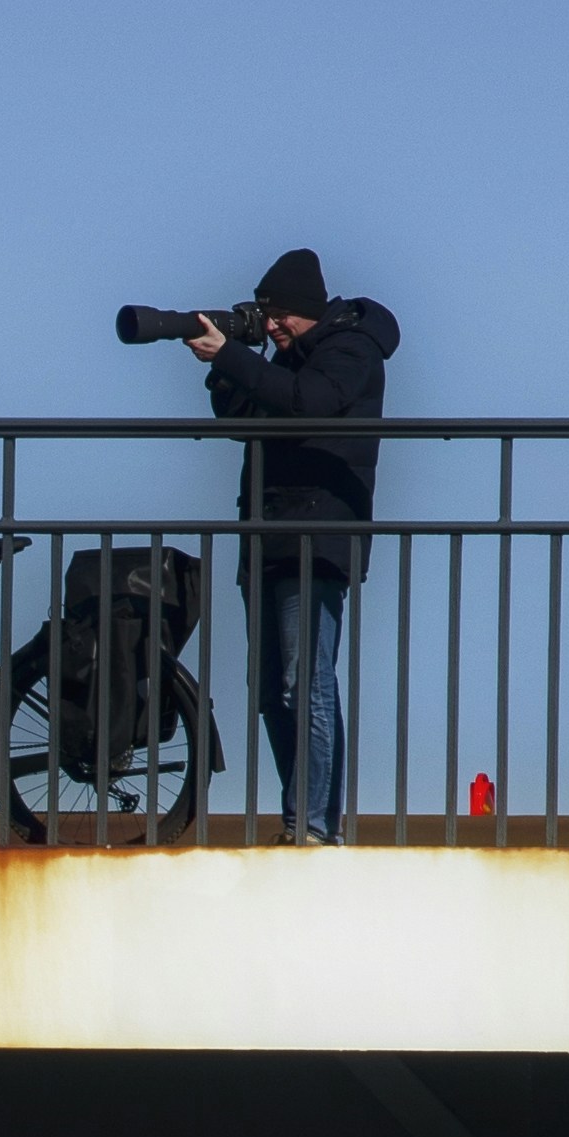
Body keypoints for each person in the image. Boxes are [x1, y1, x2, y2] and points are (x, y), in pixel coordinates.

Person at [159, 249, 400, 843]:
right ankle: (298, 821)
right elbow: (240, 416)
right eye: (264, 318)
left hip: (318, 537)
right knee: (270, 689)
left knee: (307, 681)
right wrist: (224, 364)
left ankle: (316, 828)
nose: (271, 327)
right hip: (265, 535)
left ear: (307, 310)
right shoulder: (287, 360)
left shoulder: (351, 348)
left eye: (279, 317)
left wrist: (239, 355)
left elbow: (308, 404)